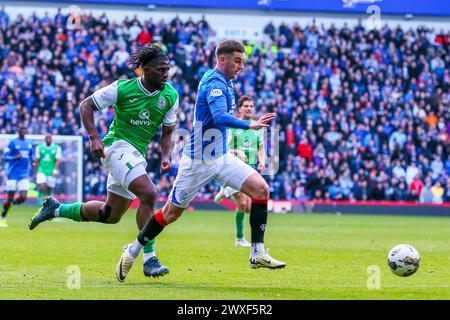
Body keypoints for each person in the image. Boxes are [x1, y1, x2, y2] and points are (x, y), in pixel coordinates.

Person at [116, 39, 286, 282]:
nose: (241, 66)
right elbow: (219, 116)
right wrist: (250, 124)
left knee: (261, 189)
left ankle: (257, 252)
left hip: (221, 157)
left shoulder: (228, 82)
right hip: (197, 162)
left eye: (243, 62)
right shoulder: (213, 82)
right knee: (170, 213)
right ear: (222, 58)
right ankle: (133, 250)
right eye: (237, 61)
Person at [29, 44, 179, 278]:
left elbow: (168, 132)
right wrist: (94, 138)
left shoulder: (171, 95)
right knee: (149, 193)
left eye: (167, 69)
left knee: (110, 215)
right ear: (144, 69)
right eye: (161, 69)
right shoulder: (121, 88)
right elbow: (86, 105)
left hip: (136, 154)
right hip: (116, 147)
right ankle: (149, 259)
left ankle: (56, 209)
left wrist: (167, 155)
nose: (165, 74)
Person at [214, 95, 266, 247]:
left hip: (248, 170)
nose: (249, 108)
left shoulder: (257, 128)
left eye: (251, 106)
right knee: (242, 203)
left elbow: (260, 147)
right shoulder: (233, 126)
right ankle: (239, 239)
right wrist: (238, 152)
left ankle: (223, 192)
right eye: (246, 106)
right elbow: (223, 148)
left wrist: (262, 161)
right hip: (230, 168)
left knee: (250, 208)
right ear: (240, 109)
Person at [1, 126, 34, 227]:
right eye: (21, 130)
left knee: (23, 197)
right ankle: (2, 217)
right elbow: (5, 157)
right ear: (18, 132)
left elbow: (31, 155)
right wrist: (14, 158)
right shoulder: (13, 142)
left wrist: (32, 163)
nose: (23, 132)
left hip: (23, 174)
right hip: (12, 174)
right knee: (10, 197)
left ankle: (12, 203)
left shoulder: (29, 143)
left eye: (25, 130)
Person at [35, 134, 62, 206]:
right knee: (41, 187)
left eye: (49, 138)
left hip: (51, 171)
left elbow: (58, 160)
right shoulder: (39, 147)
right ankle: (40, 207)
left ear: (51, 139)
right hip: (41, 170)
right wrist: (36, 172)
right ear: (45, 139)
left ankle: (50, 206)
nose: (48, 139)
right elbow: (37, 160)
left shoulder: (57, 148)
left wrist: (55, 170)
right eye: (47, 138)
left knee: (49, 190)